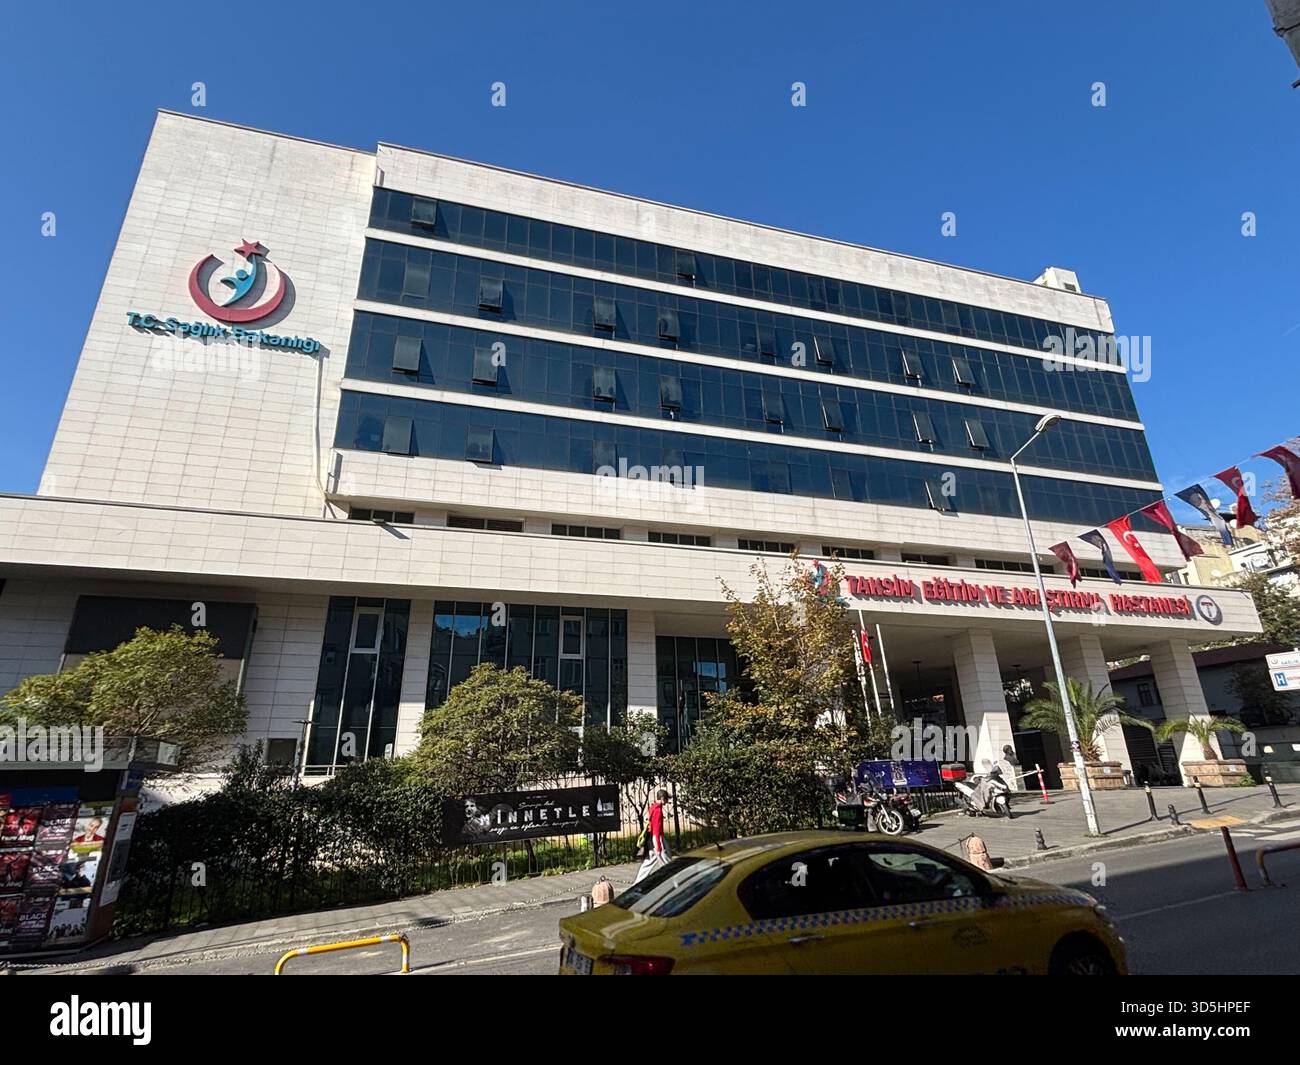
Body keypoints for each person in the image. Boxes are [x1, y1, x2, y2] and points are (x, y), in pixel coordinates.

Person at [633, 790, 671, 884]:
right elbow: (656, 830)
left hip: (651, 838)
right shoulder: (658, 810)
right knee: (665, 858)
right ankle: (672, 877)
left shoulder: (653, 807)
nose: (667, 801)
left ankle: (637, 882)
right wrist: (658, 846)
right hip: (656, 838)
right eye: (666, 799)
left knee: (649, 862)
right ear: (662, 798)